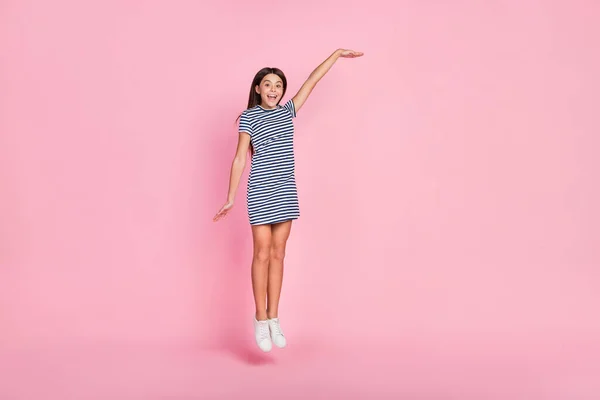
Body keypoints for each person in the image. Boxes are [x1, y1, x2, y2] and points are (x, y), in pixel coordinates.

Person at [213, 48, 364, 352]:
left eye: (278, 85)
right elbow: (241, 157)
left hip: (285, 192)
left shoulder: (287, 112)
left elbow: (312, 81)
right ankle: (259, 317)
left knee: (279, 255)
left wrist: (335, 55)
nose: (273, 89)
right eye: (268, 84)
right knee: (262, 254)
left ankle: (273, 319)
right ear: (258, 88)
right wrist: (230, 197)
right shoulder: (248, 117)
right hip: (260, 192)